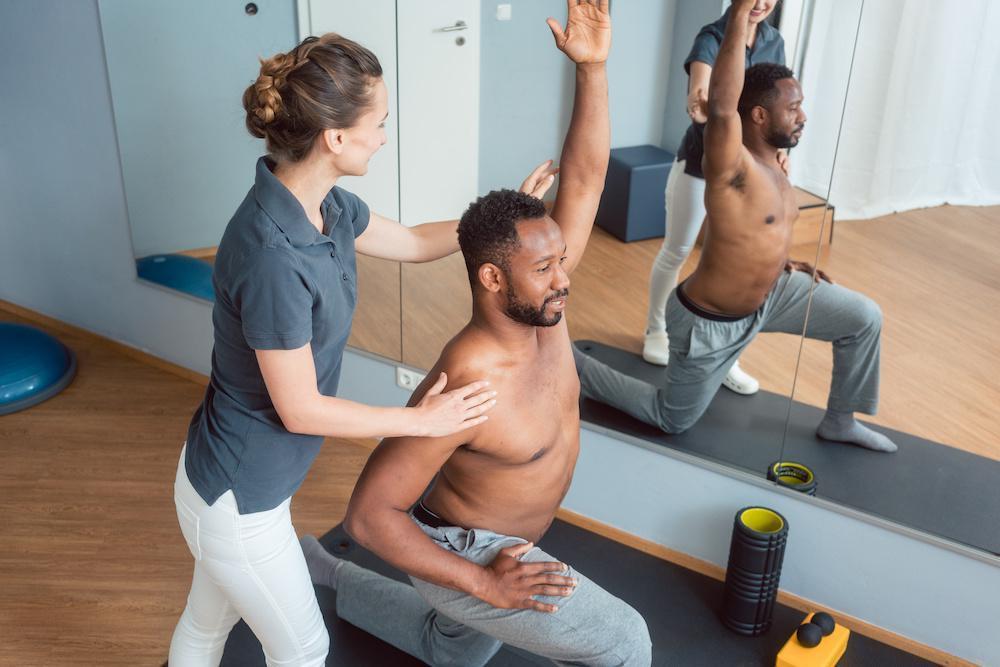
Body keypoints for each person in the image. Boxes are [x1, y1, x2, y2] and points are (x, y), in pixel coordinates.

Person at [168, 33, 553, 666]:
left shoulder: (326, 207)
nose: (382, 136)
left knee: (207, 625)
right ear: (335, 138)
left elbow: (416, 242)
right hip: (238, 499)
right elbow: (300, 409)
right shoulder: (271, 254)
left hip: (233, 484)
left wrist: (503, 222)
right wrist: (420, 420)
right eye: (379, 124)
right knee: (303, 648)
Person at [300, 3, 652, 664]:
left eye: (559, 261)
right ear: (493, 279)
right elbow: (370, 516)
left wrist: (594, 70)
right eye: (545, 267)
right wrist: (482, 580)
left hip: (504, 542)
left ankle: (327, 573)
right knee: (625, 640)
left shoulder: (544, 306)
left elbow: (583, 178)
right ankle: (419, 589)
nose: (563, 279)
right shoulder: (466, 381)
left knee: (452, 652)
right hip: (462, 552)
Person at [575, 0, 897, 453]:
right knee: (672, 419)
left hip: (773, 296)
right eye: (794, 108)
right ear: (760, 117)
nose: (803, 116)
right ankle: (573, 366)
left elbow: (759, 230)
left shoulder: (777, 167)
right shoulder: (732, 166)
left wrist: (783, 260)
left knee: (864, 318)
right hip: (711, 322)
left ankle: (841, 420)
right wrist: (741, 14)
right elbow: (724, 107)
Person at [643, 0, 786, 398]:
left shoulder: (775, 41)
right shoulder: (712, 36)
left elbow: (775, 107)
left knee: (736, 263)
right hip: (699, 165)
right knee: (677, 250)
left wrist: (778, 149)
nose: (760, 4)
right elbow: (701, 97)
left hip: (749, 175)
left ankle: (725, 357)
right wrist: (701, 103)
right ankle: (656, 331)